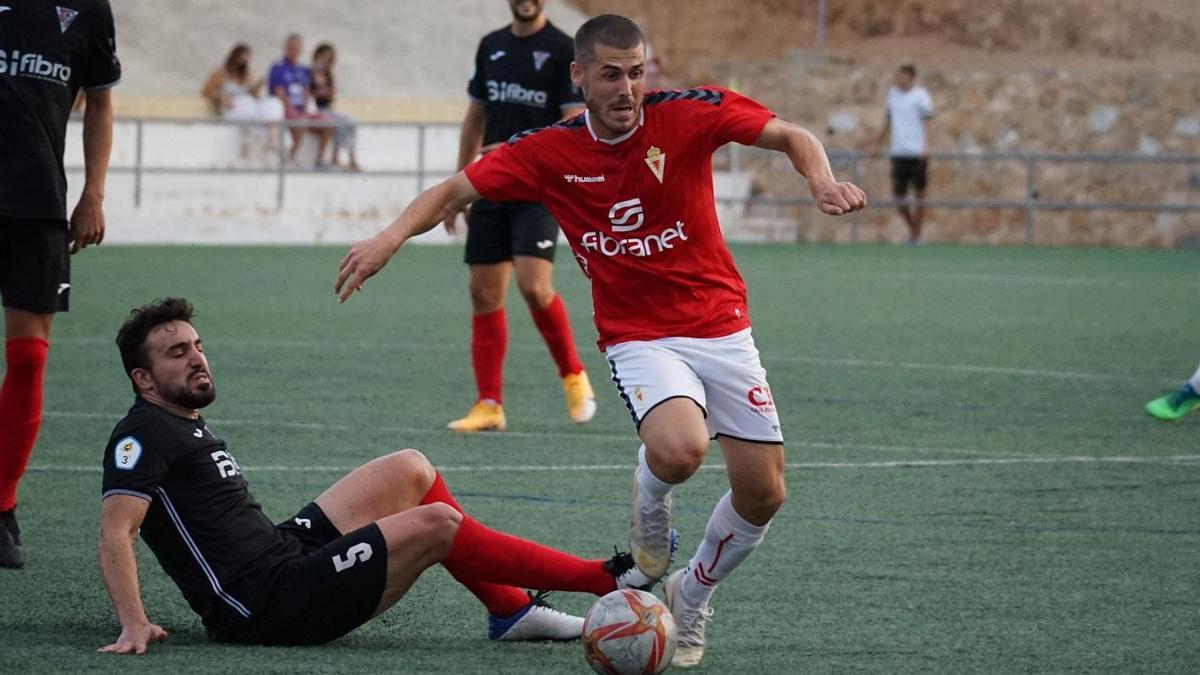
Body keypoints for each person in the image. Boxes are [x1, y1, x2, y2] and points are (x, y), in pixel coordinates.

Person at [334, 14, 866, 668]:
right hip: (638, 335)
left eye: (637, 73)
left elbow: (790, 134)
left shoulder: (689, 113)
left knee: (765, 493)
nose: (627, 89)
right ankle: (649, 500)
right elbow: (456, 187)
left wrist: (821, 180)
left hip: (721, 324)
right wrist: (389, 237)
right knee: (679, 450)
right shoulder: (549, 149)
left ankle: (692, 589)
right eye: (611, 75)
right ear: (579, 76)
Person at [97, 298, 653, 654]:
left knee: (409, 469)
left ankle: (511, 610)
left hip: (282, 554)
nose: (197, 358)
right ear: (144, 378)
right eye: (177, 353)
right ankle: (603, 579)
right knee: (436, 523)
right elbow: (116, 531)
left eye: (197, 346)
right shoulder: (141, 433)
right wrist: (134, 623)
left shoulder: (179, 421)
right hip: (267, 606)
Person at [0, 0, 121, 570]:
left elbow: (100, 102)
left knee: (27, 360)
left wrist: (93, 194)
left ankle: (1, 507)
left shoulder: (89, 11)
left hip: (37, 204)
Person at [441, 0, 594, 433]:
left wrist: (520, 151)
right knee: (483, 293)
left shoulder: (564, 48)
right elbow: (476, 114)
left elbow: (573, 119)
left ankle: (572, 374)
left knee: (533, 285)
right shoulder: (491, 45)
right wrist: (461, 181)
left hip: (538, 187)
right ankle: (489, 404)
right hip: (490, 183)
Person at [870, 64, 933, 244]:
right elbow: (888, 122)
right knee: (899, 196)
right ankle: (913, 229)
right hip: (898, 152)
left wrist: (926, 146)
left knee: (920, 195)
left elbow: (927, 123)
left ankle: (916, 235)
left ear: (911, 78)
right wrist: (877, 144)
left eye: (903, 77)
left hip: (917, 152)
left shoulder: (921, 96)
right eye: (898, 76)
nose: (900, 80)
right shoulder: (893, 95)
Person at [201, 44, 284, 160]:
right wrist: (222, 96)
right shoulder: (221, 73)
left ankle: (272, 139)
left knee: (274, 103)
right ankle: (262, 144)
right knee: (250, 110)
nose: (245, 61)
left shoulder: (247, 74)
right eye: (243, 57)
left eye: (248, 58)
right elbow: (206, 91)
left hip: (250, 108)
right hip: (234, 108)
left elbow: (253, 94)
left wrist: (258, 85)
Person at [267, 33, 332, 168]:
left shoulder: (303, 70)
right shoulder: (278, 67)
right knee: (299, 122)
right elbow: (279, 93)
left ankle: (320, 161)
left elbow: (307, 91)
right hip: (287, 109)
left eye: (297, 47)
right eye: (291, 47)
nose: (294, 50)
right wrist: (293, 110)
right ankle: (290, 159)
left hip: (302, 109)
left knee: (328, 124)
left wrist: (306, 109)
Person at [310, 43, 360, 172]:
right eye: (324, 57)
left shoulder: (328, 75)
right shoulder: (310, 73)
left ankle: (350, 158)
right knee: (336, 121)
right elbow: (312, 93)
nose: (326, 61)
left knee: (350, 121)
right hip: (316, 109)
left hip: (327, 109)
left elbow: (331, 96)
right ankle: (334, 157)